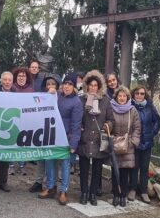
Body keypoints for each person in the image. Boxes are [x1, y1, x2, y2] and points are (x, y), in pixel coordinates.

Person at [39, 74, 83, 205]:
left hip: (66, 138)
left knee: (65, 165)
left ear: (74, 87)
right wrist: (50, 93)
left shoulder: (76, 102)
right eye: (65, 84)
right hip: (51, 136)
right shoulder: (57, 96)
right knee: (49, 161)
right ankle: (51, 187)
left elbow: (76, 124)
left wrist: (74, 143)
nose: (67, 86)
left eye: (70, 84)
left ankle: (63, 191)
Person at [77, 70, 114, 206]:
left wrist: (107, 125)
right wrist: (79, 126)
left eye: (95, 85)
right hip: (85, 138)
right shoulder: (81, 100)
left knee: (97, 170)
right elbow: (77, 116)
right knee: (84, 168)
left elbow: (111, 119)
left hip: (99, 139)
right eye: (90, 85)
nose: (93, 88)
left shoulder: (105, 100)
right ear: (87, 86)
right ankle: (84, 193)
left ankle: (93, 194)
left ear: (99, 86)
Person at [110, 86, 141, 207]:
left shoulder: (132, 110)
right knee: (115, 171)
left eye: (124, 96)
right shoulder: (111, 109)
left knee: (125, 172)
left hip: (128, 145)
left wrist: (133, 142)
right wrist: (110, 139)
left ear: (127, 97)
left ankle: (123, 195)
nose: (122, 98)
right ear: (116, 97)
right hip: (115, 143)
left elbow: (137, 128)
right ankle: (115, 194)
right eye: (119, 96)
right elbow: (108, 124)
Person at [129, 85, 160, 203]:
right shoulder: (130, 106)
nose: (139, 96)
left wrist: (152, 133)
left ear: (145, 95)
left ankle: (143, 191)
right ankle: (132, 189)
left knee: (144, 167)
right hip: (135, 142)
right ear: (133, 94)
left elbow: (157, 121)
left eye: (142, 93)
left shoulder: (150, 107)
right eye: (137, 93)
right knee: (134, 166)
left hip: (147, 142)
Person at [31, 73, 61, 194]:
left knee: (53, 159)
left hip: (55, 132)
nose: (50, 86)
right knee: (40, 158)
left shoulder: (61, 97)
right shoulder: (41, 97)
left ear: (57, 86)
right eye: (48, 84)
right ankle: (38, 182)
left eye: (53, 84)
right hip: (42, 130)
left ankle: (51, 183)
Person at [10, 67, 34, 175]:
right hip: (12, 118)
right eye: (19, 75)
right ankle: (10, 165)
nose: (21, 78)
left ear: (27, 77)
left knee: (23, 143)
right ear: (16, 77)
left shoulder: (30, 90)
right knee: (10, 142)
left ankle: (22, 164)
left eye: (23, 76)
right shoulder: (11, 87)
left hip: (25, 120)